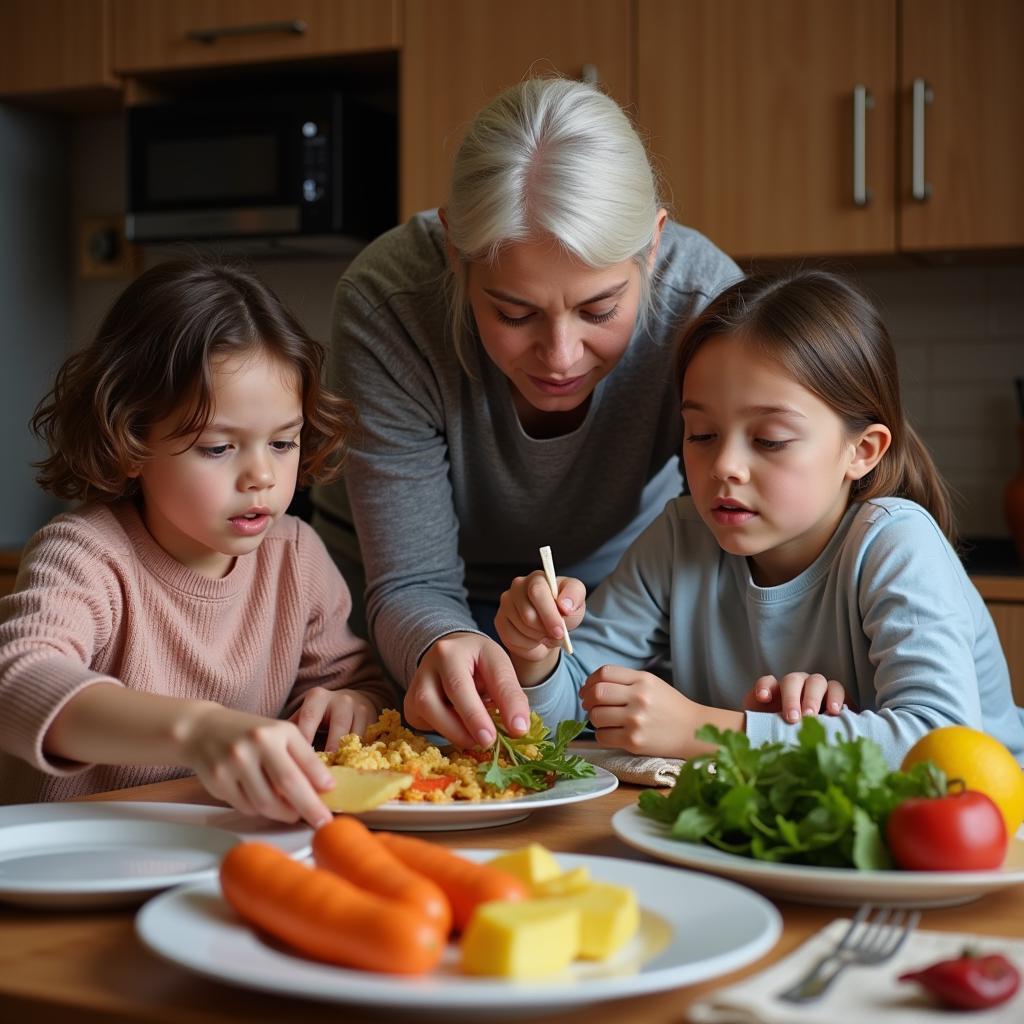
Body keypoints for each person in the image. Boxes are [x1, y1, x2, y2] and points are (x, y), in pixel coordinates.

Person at [312, 77, 741, 751]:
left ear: (654, 246)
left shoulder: (704, 303)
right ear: (455, 252)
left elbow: (728, 547)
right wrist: (443, 642)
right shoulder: (390, 300)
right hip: (393, 600)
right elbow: (411, 579)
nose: (561, 356)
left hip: (609, 610)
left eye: (600, 310)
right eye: (514, 314)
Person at [495, 270, 1024, 767]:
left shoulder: (896, 543)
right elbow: (563, 720)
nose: (723, 466)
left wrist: (707, 730)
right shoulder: (681, 537)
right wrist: (536, 658)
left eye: (769, 439)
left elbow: (938, 743)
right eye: (701, 435)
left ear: (862, 450)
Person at [0, 258, 396, 826]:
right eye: (217, 448)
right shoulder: (84, 554)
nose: (261, 475)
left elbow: (356, 685)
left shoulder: (296, 556)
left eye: (282, 443)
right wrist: (199, 730)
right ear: (131, 439)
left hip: (221, 856)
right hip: (76, 858)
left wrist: (350, 706)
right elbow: (17, 680)